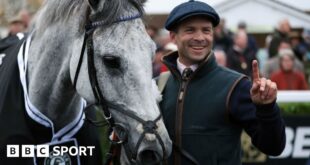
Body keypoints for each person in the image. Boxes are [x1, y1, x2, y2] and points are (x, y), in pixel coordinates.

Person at [159, 1, 285, 164]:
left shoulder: (236, 85)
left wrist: (267, 108)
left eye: (206, 30)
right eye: (190, 30)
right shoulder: (156, 87)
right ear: (173, 37)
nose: (199, 37)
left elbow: (274, 147)